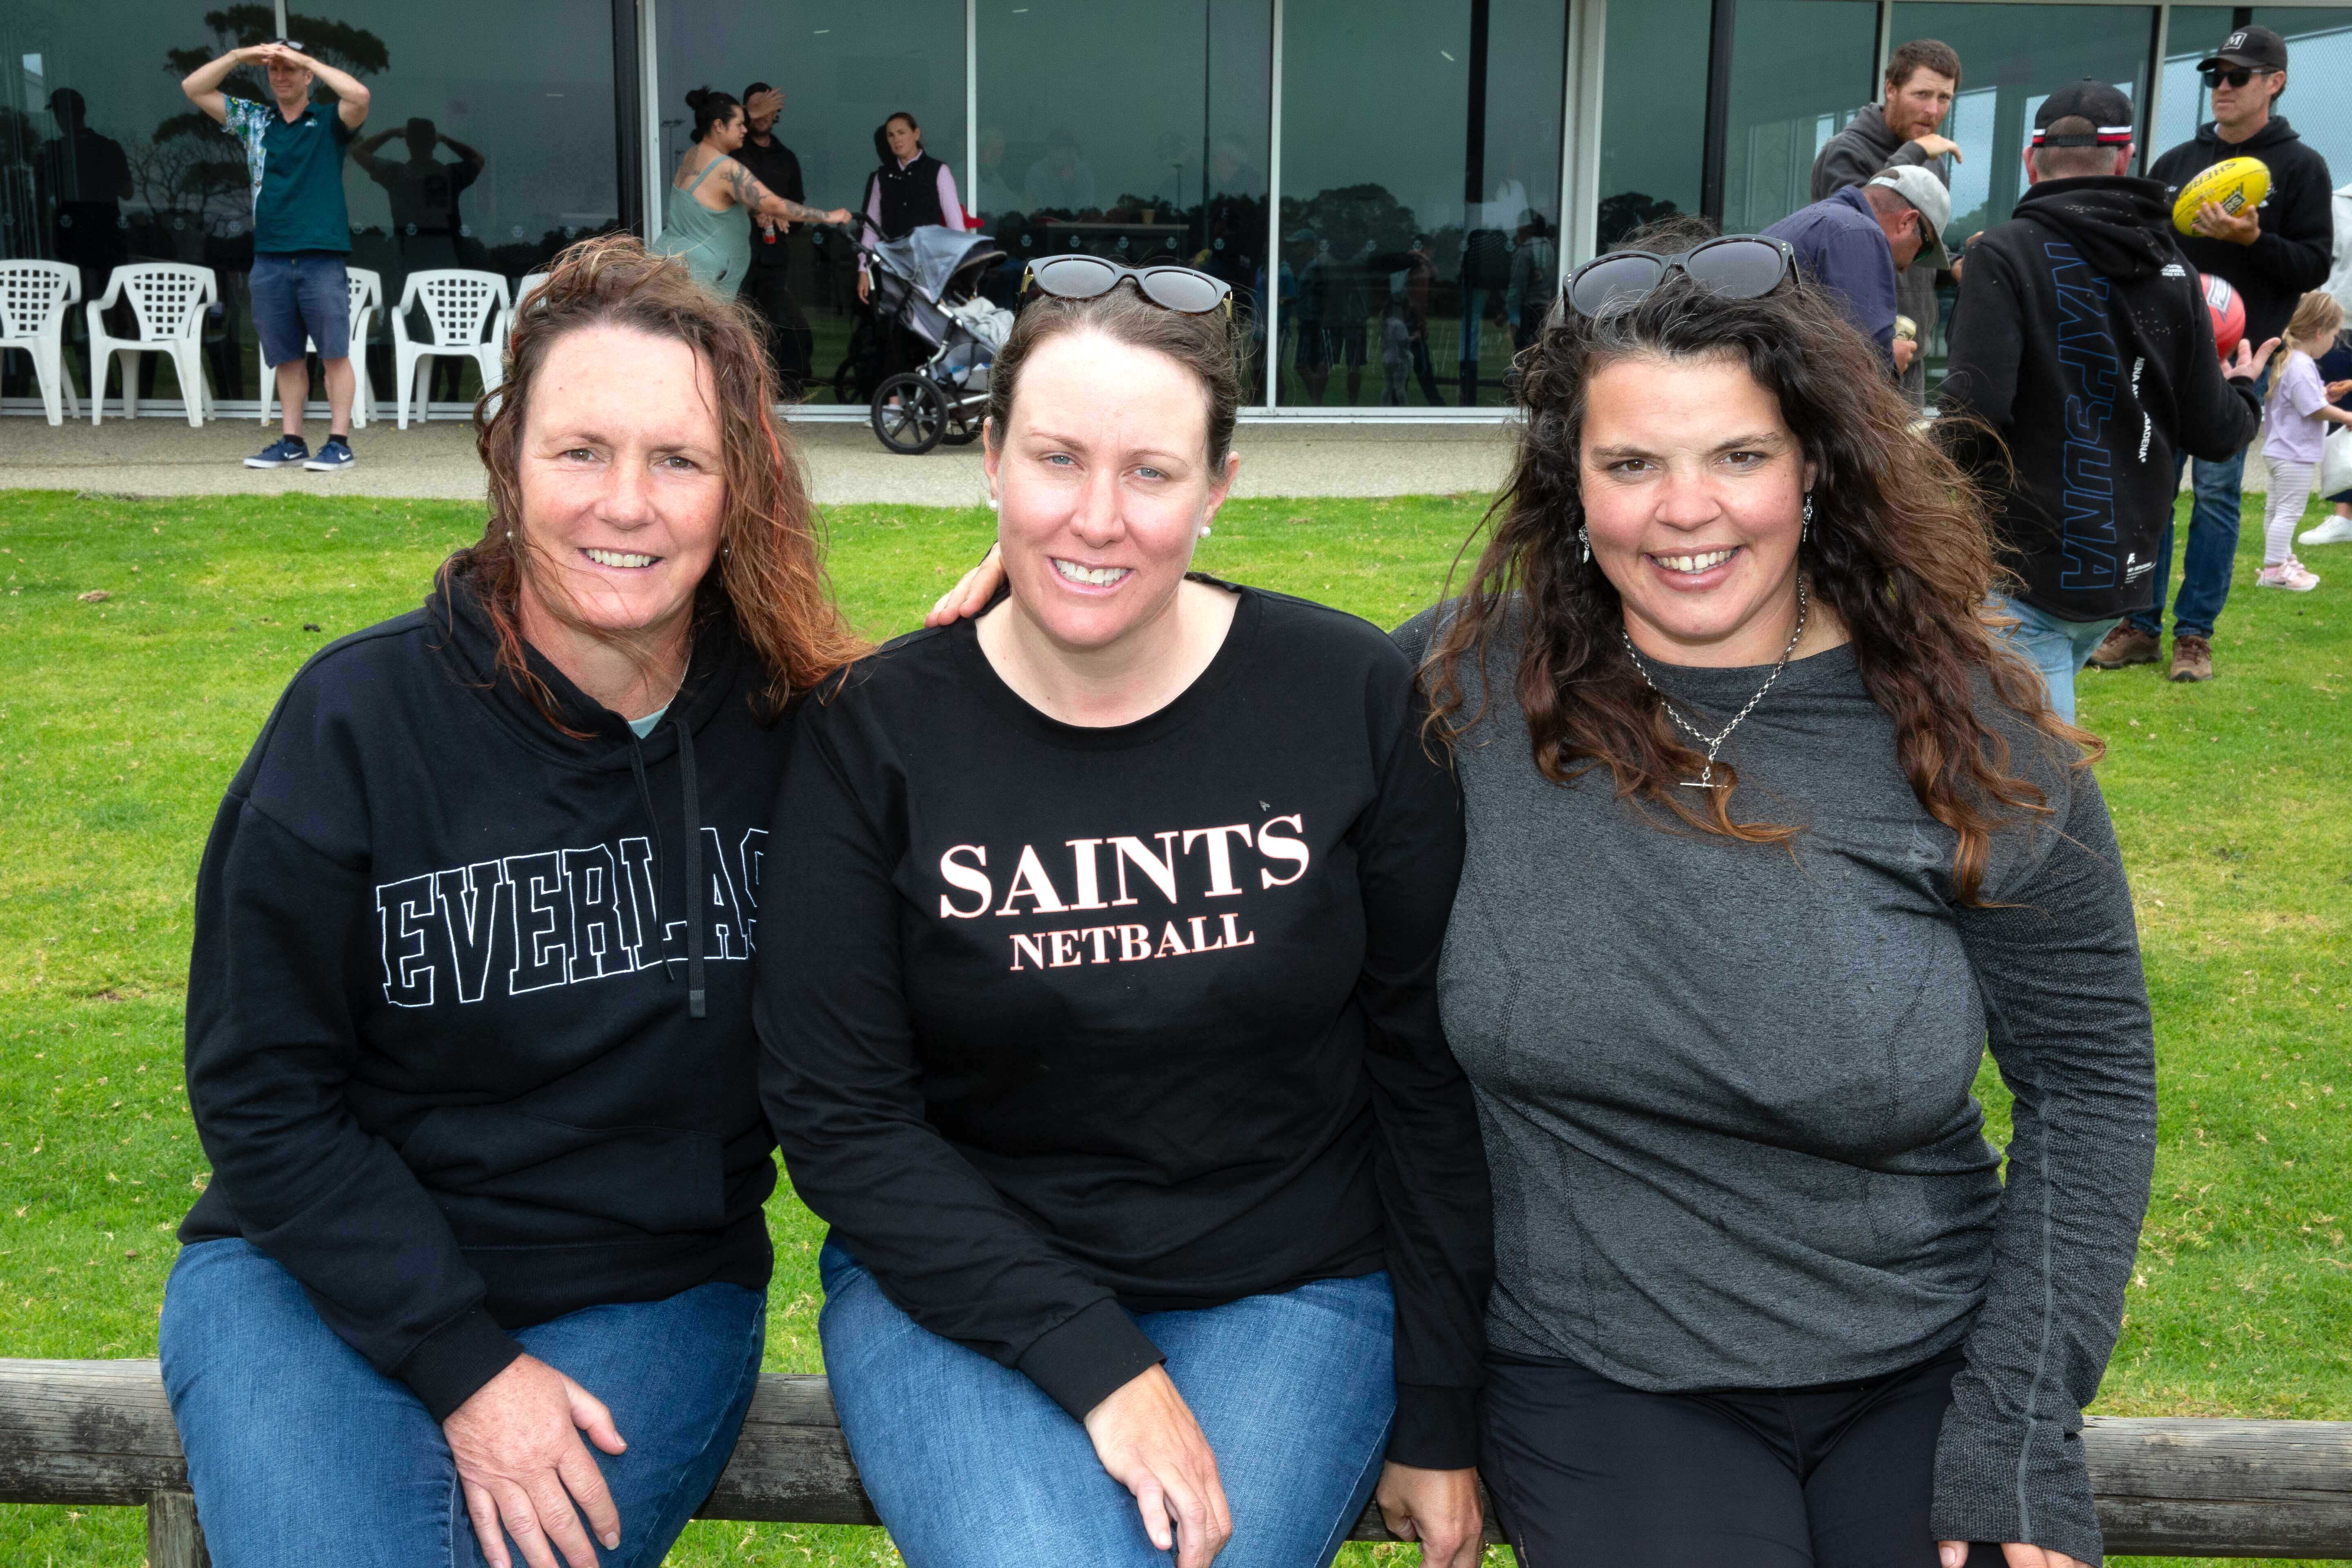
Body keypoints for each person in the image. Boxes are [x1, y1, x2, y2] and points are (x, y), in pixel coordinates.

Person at [1399, 234, 2155, 1567]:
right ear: (1571, 485)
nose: (1688, 510)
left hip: (1927, 1360)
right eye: (1633, 464)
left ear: (1816, 468)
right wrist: (1041, 616)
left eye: (1739, 456)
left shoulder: (1973, 727)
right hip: (1603, 1372)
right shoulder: (1465, 683)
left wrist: (2020, 1423)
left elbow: (2092, 1079)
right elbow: (1214, 708)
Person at [757, 261, 1493, 1568]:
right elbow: (843, 1114)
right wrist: (1102, 1363)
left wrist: (1438, 1410)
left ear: (1217, 488)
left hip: (1295, 1281)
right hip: (958, 1288)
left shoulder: (1349, 700)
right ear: (989, 459)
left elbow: (1425, 1075)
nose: (1096, 518)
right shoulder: (876, 735)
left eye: (1152, 472)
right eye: (1056, 460)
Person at [158, 234, 866, 1568]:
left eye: (679, 461)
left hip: (645, 1292)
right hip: (317, 1275)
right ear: (509, 464)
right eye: (581, 451)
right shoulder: (356, 724)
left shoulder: (807, 742)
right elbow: (261, 1090)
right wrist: (463, 1366)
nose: (628, 505)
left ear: (740, 491)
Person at [1939, 83, 2272, 722]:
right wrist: (2244, 384)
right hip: (2120, 573)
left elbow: (1974, 412)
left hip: (2023, 571)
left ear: (2031, 164)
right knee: (2010, 760)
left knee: (2031, 781)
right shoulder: (2173, 268)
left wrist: (1911, 480)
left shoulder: (2002, 254)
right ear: (2124, 162)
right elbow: (2218, 429)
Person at [2095, 24, 2334, 682]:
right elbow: (2136, 247)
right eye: (2214, 76)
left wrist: (2254, 239)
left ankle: (2194, 637)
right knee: (2151, 490)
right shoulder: (2176, 164)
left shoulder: (2300, 167)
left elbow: (2312, 265)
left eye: (2237, 76)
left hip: (2239, 363)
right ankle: (2139, 625)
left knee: (2220, 493)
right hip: (2166, 354)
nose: (2221, 88)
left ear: (2274, 83)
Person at [181, 38, 371, 473]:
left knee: (334, 354)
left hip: (321, 256)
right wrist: (237, 58)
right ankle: (292, 441)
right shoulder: (255, 120)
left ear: (307, 75)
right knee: (285, 356)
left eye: (290, 69)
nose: (281, 76)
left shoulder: (328, 120)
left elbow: (359, 96)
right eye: (274, 70)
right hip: (269, 257)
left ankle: (339, 444)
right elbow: (194, 88)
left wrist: (306, 58)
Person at [1811, 38, 1964, 407]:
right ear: (1891, 89)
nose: (1933, 110)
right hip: (1853, 358)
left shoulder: (1932, 162)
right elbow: (1860, 232)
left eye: (1944, 98)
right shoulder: (1845, 152)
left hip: (1911, 357)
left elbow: (1914, 249)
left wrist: (1956, 264)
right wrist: (1914, 154)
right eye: (1922, 94)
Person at [656, 87, 849, 303]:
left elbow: (711, 204)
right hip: (697, 289)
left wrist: (756, 210)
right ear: (719, 126)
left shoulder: (693, 155)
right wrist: (831, 217)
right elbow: (775, 205)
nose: (745, 130)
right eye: (739, 125)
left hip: (675, 272)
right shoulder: (726, 169)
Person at [1764, 165, 1949, 377]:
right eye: (1923, 251)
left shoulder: (1809, 220)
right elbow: (1860, 369)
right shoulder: (1860, 232)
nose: (1906, 268)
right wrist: (1890, 359)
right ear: (1907, 222)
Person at [2253, 290, 2352, 591]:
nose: (2335, 342)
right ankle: (2275, 570)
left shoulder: (2290, 360)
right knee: (2290, 512)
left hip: (2279, 451)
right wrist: (2347, 417)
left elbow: (2302, 401)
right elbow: (2315, 410)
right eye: (2334, 335)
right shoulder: (2302, 364)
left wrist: (2326, 394)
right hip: (2295, 455)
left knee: (2276, 510)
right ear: (2319, 331)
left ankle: (2280, 560)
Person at [732, 83, 817, 393]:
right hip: (736, 257)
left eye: (770, 108)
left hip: (775, 259)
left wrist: (784, 216)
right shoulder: (734, 153)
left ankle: (789, 391)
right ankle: (742, 393)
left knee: (783, 325)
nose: (764, 115)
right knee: (740, 326)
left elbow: (798, 209)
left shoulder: (787, 158)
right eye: (758, 108)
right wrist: (753, 212)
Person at [858, 109, 967, 303]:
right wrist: (863, 269)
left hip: (929, 267)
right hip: (892, 268)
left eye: (902, 133)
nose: (896, 140)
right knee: (895, 325)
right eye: (891, 135)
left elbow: (956, 226)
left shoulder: (939, 171)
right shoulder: (881, 177)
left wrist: (963, 268)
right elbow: (871, 227)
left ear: (916, 134)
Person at [1504, 211, 1557, 351]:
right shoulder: (1551, 248)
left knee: (1523, 351)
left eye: (1520, 225)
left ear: (1529, 229)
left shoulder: (1525, 251)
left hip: (1527, 309)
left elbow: (1517, 286)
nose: (1517, 229)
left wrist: (1508, 310)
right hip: (1545, 307)